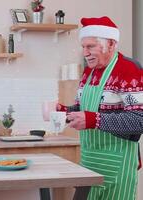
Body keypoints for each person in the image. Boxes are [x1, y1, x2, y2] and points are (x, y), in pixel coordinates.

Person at [58, 16, 142, 200]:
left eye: (90, 46)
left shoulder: (129, 70)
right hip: (89, 162)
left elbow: (139, 120)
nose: (85, 52)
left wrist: (93, 120)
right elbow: (83, 108)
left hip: (117, 164)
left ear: (111, 44)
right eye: (83, 47)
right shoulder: (89, 71)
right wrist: (63, 111)